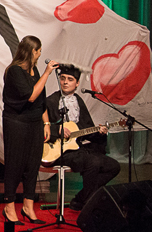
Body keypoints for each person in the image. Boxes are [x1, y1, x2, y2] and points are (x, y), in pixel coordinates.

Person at [45, 64, 120, 211]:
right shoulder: (50, 101)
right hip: (60, 150)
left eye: (70, 79)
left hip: (77, 148)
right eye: (63, 78)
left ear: (77, 83)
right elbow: (38, 128)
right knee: (94, 162)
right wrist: (56, 129)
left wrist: (99, 132)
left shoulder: (79, 101)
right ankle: (89, 204)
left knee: (113, 166)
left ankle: (81, 198)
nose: (65, 82)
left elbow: (86, 130)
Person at [1, 35, 58, 225]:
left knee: (32, 165)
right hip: (16, 122)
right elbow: (31, 96)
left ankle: (28, 206)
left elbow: (41, 99)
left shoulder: (35, 70)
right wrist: (47, 73)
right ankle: (9, 206)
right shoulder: (14, 71)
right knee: (15, 163)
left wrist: (47, 123)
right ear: (31, 51)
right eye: (38, 50)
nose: (41, 54)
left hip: (34, 122)